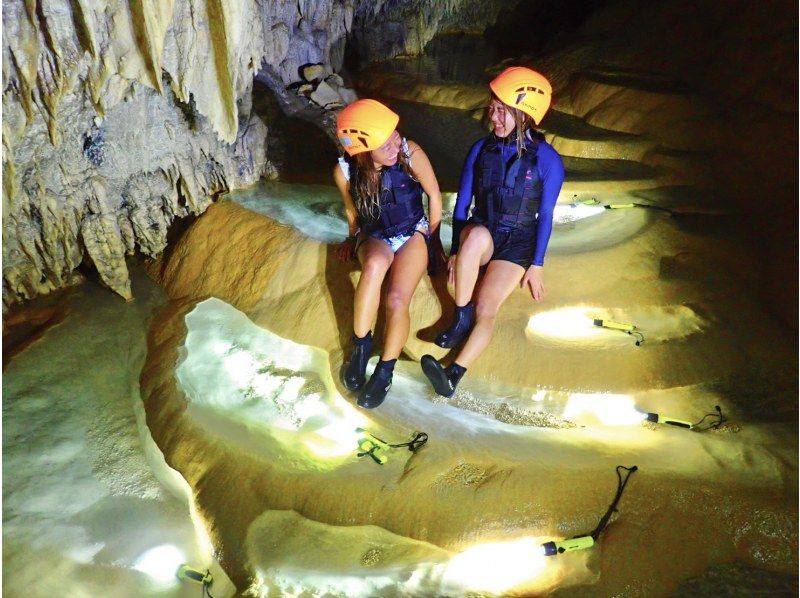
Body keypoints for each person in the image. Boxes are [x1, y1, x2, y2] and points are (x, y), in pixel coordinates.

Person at [421, 67, 565, 397]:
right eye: (493, 107)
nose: (493, 116)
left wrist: (537, 263)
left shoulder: (548, 161)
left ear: (524, 115)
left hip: (518, 242)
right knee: (472, 239)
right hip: (485, 230)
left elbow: (546, 216)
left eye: (502, 110)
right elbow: (462, 206)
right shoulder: (481, 149)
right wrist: (456, 249)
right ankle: (459, 319)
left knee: (487, 310)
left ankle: (452, 376)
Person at [334, 99, 444, 408]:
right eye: (386, 144)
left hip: (412, 232)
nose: (396, 144)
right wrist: (351, 236)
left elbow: (434, 196)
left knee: (396, 299)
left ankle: (385, 371)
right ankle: (360, 348)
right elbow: (351, 209)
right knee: (374, 266)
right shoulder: (345, 171)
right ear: (365, 151)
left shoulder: (411, 153)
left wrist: (434, 244)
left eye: (395, 134)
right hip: (376, 235)